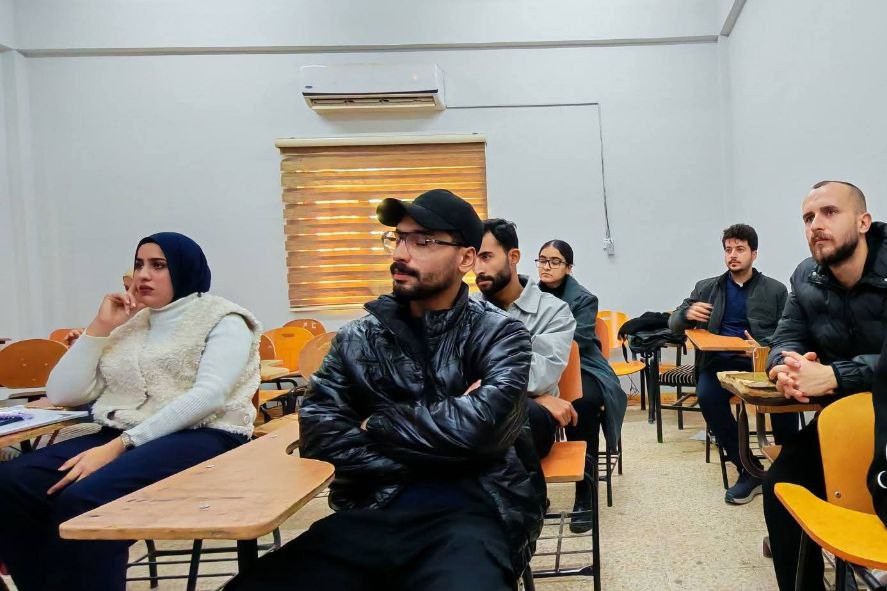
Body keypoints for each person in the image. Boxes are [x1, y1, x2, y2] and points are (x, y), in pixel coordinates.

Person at [225, 189, 544, 591]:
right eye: (398, 238)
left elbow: (483, 429)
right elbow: (322, 439)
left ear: (465, 259)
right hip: (374, 509)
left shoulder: (500, 333)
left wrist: (374, 423)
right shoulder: (357, 339)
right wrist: (452, 443)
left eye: (423, 241)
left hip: (474, 513)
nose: (401, 253)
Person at [0, 232, 261, 591]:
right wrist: (100, 328)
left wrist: (120, 445)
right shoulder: (131, 323)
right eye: (139, 265)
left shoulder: (224, 319)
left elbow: (209, 397)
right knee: (11, 482)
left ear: (186, 269)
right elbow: (63, 393)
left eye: (158, 265)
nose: (143, 275)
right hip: (127, 432)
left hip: (205, 434)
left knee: (87, 498)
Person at [763, 180, 887, 590]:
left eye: (830, 212)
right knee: (780, 487)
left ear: (864, 222)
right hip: (842, 422)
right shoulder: (806, 277)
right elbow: (785, 338)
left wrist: (835, 375)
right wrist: (783, 369)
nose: (816, 224)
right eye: (808, 217)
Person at [668, 223, 793, 504]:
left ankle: (788, 469)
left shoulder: (775, 290)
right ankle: (748, 468)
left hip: (761, 362)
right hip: (718, 362)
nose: (733, 255)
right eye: (728, 250)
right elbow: (673, 323)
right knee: (708, 396)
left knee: (784, 394)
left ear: (754, 254)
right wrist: (686, 313)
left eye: (740, 249)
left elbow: (788, 331)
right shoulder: (707, 288)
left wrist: (762, 346)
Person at [535, 240, 627, 524]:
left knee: (583, 403)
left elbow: (580, 339)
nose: (546, 266)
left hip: (582, 364)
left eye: (555, 261)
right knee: (519, 404)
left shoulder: (584, 298)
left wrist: (534, 341)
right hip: (537, 364)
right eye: (542, 260)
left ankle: (585, 492)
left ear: (569, 268)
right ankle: (534, 492)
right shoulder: (528, 296)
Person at [474, 219, 576, 459]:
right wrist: (539, 398)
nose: (478, 268)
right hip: (476, 414)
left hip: (527, 419)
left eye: (486, 257)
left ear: (513, 256)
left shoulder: (554, 311)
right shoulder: (468, 309)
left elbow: (539, 377)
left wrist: (479, 381)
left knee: (522, 420)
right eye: (473, 258)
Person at [65, 272, 134, 346]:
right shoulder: (119, 312)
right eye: (127, 288)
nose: (128, 294)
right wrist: (82, 340)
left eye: (139, 289)